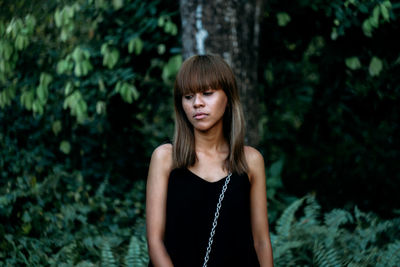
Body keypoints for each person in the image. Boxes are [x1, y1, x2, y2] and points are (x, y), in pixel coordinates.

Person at [146, 54, 274, 267]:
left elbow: (261, 242)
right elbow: (155, 241)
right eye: (188, 96)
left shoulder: (250, 160)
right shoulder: (166, 158)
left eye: (207, 93)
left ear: (228, 97)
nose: (197, 103)